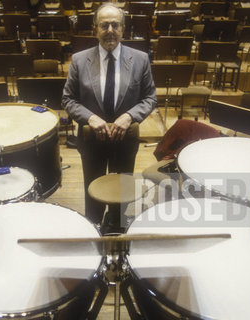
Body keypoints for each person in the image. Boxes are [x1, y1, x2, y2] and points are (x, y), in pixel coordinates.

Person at [62, 2, 157, 227]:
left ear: (123, 28)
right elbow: (68, 99)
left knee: (121, 191)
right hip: (91, 140)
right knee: (93, 191)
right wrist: (90, 118)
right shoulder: (79, 60)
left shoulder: (140, 59)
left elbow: (150, 98)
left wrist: (129, 116)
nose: (110, 31)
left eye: (115, 25)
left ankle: (118, 226)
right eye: (105, 25)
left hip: (126, 139)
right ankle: (94, 228)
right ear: (95, 29)